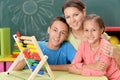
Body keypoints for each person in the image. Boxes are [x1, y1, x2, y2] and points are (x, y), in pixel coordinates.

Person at [68, 14, 120, 80]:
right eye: (86, 30)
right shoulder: (82, 45)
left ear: (101, 30)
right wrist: (90, 66)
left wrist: (78, 71)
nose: (90, 34)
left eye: (94, 30)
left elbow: (101, 72)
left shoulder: (106, 46)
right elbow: (73, 65)